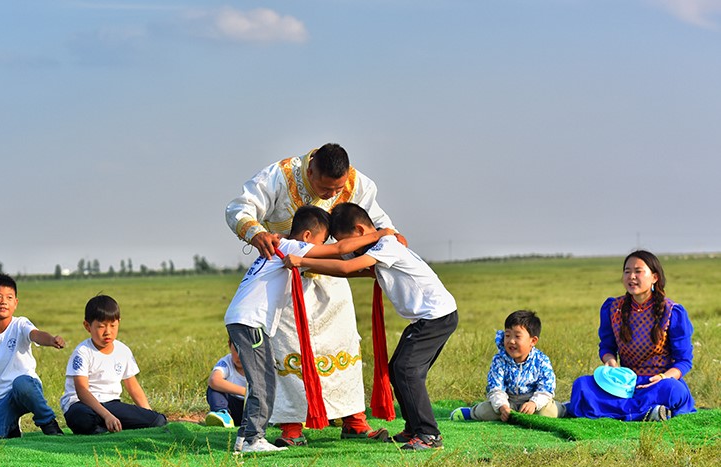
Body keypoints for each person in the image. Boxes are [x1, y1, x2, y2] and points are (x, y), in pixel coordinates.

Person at [226, 143, 400, 446]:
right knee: (288, 351)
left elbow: (376, 223)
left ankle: (354, 420)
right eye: (325, 187)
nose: (333, 194)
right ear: (309, 171)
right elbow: (240, 207)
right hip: (288, 282)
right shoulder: (279, 177)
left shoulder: (359, 184)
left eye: (338, 187)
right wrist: (257, 233)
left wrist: (391, 237)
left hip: (333, 278)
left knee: (344, 346)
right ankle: (291, 427)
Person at [283, 203, 458, 450]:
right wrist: (308, 262)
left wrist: (302, 261)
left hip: (436, 317)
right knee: (399, 369)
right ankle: (414, 429)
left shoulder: (387, 245)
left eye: (349, 241)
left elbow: (345, 265)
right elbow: (347, 268)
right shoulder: (376, 248)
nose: (351, 249)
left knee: (406, 370)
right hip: (428, 319)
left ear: (359, 229)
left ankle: (429, 435)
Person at [568, 250, 696, 421]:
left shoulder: (673, 312)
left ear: (654, 277)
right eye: (627, 271)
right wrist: (611, 363)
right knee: (582, 385)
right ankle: (650, 412)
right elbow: (607, 347)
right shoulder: (612, 308)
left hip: (657, 383)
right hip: (623, 383)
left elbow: (684, 361)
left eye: (638, 271)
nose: (631, 277)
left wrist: (662, 377)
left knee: (674, 391)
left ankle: (610, 411)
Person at [0, 274, 65, 441]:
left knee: (21, 383)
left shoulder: (20, 324)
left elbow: (35, 335)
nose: (3, 301)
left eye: (9, 297)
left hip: (25, 389)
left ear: (15, 303)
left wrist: (51, 340)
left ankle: (48, 422)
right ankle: (12, 426)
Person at [60, 295, 167, 434]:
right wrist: (107, 416)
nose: (107, 332)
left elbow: (133, 387)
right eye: (101, 326)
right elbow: (82, 391)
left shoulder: (123, 350)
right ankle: (104, 425)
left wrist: (148, 415)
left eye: (112, 325)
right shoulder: (82, 352)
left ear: (119, 323)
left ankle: (105, 426)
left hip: (111, 404)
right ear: (87, 326)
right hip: (82, 404)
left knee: (157, 420)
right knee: (82, 418)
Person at [449, 310, 564, 422]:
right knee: (486, 411)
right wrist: (502, 407)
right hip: (509, 401)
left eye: (517, 336)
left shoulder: (541, 360)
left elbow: (546, 388)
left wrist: (534, 403)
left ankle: (565, 408)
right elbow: (495, 388)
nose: (511, 341)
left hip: (534, 402)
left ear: (533, 341)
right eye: (508, 335)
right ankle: (471, 412)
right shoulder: (499, 360)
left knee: (547, 413)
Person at [204, 339, 246, 428]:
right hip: (232, 409)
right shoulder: (226, 362)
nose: (239, 355)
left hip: (252, 409)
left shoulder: (259, 365)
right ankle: (222, 414)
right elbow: (214, 380)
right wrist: (246, 392)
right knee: (213, 388)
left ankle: (274, 419)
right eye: (236, 350)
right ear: (229, 345)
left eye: (245, 350)